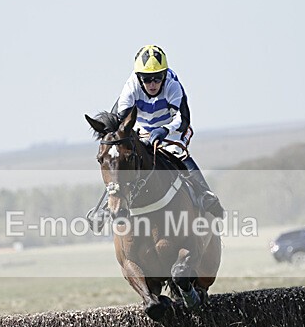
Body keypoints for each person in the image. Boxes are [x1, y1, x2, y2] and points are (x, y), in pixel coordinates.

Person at [88, 45, 223, 228]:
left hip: (172, 128)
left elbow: (183, 119)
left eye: (157, 78)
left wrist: (165, 130)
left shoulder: (173, 86)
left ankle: (205, 194)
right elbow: (120, 120)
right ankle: (106, 206)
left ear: (164, 75)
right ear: (138, 77)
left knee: (176, 153)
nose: (152, 84)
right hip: (141, 127)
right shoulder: (130, 87)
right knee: (121, 157)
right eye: (147, 79)